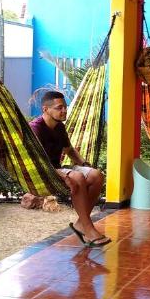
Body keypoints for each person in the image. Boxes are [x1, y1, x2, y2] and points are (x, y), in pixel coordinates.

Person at [30, 90, 109, 247]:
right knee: (77, 177)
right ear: (45, 109)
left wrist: (84, 164)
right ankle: (88, 228)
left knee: (97, 175)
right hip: (44, 172)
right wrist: (65, 176)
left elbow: (69, 150)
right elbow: (37, 161)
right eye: (59, 108)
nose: (64, 111)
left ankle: (81, 223)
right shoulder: (35, 128)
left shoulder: (59, 127)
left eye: (65, 107)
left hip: (57, 169)